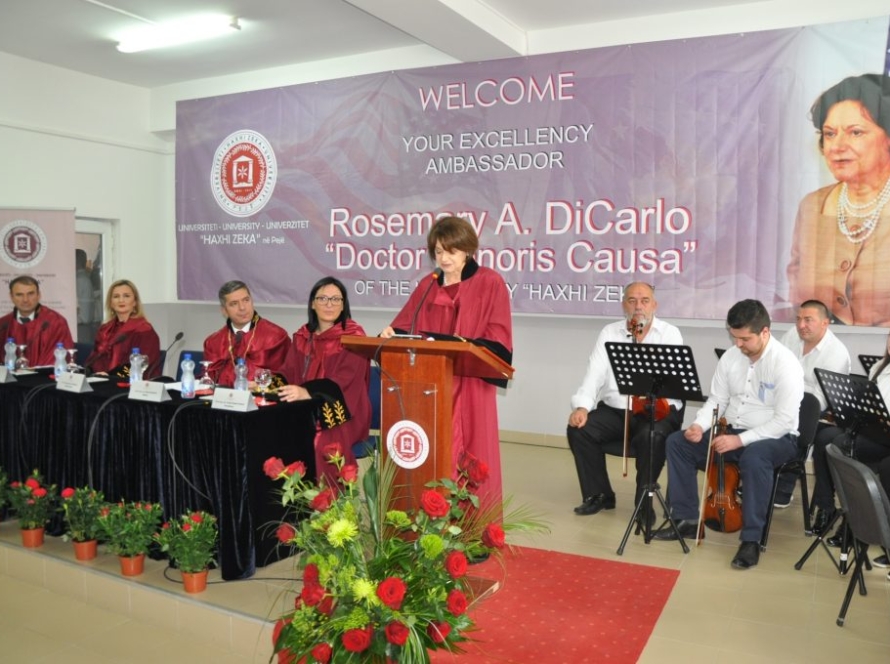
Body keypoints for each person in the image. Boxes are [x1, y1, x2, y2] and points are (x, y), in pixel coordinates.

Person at [653, 300, 803, 571]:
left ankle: (751, 539)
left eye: (745, 339)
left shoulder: (786, 364)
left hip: (777, 438)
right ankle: (686, 521)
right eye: (734, 337)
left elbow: (784, 421)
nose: (738, 345)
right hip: (732, 430)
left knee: (755, 458)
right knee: (678, 443)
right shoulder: (731, 357)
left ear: (765, 333)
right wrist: (699, 425)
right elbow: (716, 400)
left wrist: (739, 440)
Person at [380, 215, 512, 507]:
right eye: (438, 251)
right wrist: (393, 334)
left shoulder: (490, 282)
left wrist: (464, 346)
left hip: (471, 385)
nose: (444, 257)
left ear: (467, 249)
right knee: (436, 450)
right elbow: (406, 325)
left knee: (473, 455)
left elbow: (498, 336)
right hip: (433, 388)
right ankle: (432, 520)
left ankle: (475, 532)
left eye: (450, 250)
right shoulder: (429, 284)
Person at [565, 282, 684, 522]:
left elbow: (673, 384)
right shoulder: (610, 332)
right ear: (623, 305)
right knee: (580, 429)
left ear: (655, 305)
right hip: (616, 409)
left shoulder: (669, 333)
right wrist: (582, 407)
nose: (638, 306)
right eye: (632, 300)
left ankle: (643, 502)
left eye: (644, 300)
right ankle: (599, 495)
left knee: (650, 436)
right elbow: (594, 374)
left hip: (654, 410)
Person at [787, 73, 890, 326]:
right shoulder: (812, 207)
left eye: (855, 132)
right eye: (830, 134)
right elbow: (797, 295)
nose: (837, 146)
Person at [279, 277, 371, 488]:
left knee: (320, 439)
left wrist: (307, 392)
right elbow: (287, 371)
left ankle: (327, 504)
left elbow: (346, 381)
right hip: (304, 407)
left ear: (343, 305)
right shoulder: (303, 336)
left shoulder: (353, 337)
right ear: (312, 303)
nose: (329, 304)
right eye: (323, 298)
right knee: (275, 428)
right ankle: (295, 506)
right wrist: (264, 384)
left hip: (342, 409)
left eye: (335, 299)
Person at [810, 329, 890, 565]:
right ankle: (826, 507)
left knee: (841, 445)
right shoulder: (879, 367)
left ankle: (853, 524)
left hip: (885, 439)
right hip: (873, 432)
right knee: (824, 438)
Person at [772, 299, 851, 506]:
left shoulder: (836, 353)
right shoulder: (791, 336)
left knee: (801, 417)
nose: (801, 325)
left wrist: (787, 401)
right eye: (798, 319)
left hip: (819, 413)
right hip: (786, 400)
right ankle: (762, 476)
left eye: (808, 320)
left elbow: (820, 399)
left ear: (825, 323)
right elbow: (774, 367)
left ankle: (783, 485)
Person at [203, 280, 290, 387]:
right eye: (234, 304)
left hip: (264, 399)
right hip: (222, 400)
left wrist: (260, 386)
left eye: (246, 300)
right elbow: (207, 381)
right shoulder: (213, 342)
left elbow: (289, 377)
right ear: (224, 311)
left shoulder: (276, 336)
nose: (242, 308)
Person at [84, 279, 161, 377]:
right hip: (103, 381)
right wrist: (90, 372)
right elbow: (94, 360)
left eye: (126, 296)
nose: (121, 300)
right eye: (116, 296)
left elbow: (140, 366)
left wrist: (110, 376)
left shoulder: (144, 330)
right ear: (111, 303)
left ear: (135, 302)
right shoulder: (105, 330)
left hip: (132, 385)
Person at [0, 275, 74, 367]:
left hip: (42, 380)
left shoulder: (56, 322)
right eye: (19, 294)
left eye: (30, 294)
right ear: (11, 297)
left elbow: (55, 362)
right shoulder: (3, 324)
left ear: (38, 295)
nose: (25, 300)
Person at [75, 249, 96, 342]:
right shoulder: (84, 278)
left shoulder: (80, 280)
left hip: (82, 328)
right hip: (84, 327)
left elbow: (85, 316)